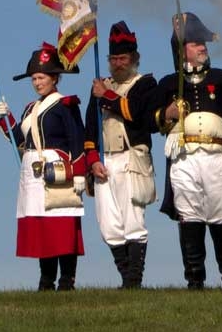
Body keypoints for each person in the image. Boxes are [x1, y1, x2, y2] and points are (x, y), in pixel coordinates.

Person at [153, 12, 222, 289]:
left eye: (203, 43)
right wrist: (167, 113)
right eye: (195, 43)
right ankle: (195, 280)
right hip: (183, 158)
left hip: (218, 156)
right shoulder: (168, 83)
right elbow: (150, 120)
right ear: (181, 49)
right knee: (190, 215)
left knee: (221, 213)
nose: (202, 47)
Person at [0, 42, 87, 291]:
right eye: (34, 78)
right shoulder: (30, 109)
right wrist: (8, 118)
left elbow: (76, 138)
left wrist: (79, 173)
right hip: (34, 176)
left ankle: (67, 281)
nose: (37, 83)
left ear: (55, 78)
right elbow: (21, 141)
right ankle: (46, 280)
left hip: (59, 173)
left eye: (42, 77)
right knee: (43, 230)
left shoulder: (65, 104)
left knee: (64, 227)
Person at [83, 21, 159, 288]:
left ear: (133, 59)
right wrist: (92, 161)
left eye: (122, 58)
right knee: (109, 227)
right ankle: (126, 278)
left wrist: (106, 95)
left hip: (131, 158)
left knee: (133, 221)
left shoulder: (146, 84)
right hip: (105, 162)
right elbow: (90, 127)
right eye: (113, 58)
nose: (117, 63)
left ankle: (133, 281)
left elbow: (135, 113)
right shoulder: (99, 85)